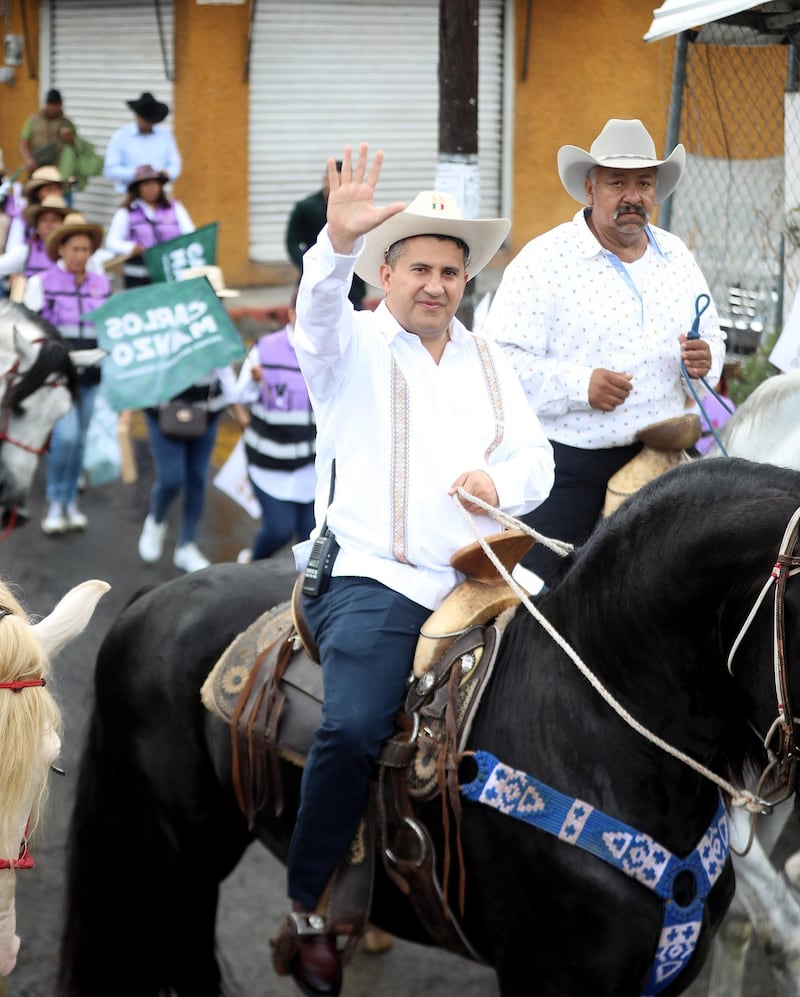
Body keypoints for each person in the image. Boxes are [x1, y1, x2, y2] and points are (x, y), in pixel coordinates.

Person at [274, 143, 554, 996]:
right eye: (420, 268)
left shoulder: (489, 357)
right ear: (386, 273)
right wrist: (335, 243)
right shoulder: (348, 343)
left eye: (450, 271)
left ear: (466, 280)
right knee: (355, 725)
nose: (435, 285)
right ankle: (309, 907)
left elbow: (537, 461)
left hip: (484, 579)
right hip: (373, 575)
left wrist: (499, 483)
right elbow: (315, 311)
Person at [484, 118, 726, 587]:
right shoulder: (544, 260)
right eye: (617, 183)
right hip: (571, 463)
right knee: (543, 593)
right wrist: (581, 386)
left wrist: (705, 360)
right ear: (590, 189)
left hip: (662, 458)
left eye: (644, 184)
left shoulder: (677, 256)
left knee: (673, 595)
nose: (633, 196)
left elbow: (712, 339)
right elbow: (499, 362)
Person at [136, 266, 238, 574]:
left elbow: (227, 378)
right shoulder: (163, 328)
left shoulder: (220, 330)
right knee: (171, 478)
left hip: (206, 415)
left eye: (217, 299)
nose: (214, 304)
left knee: (197, 479)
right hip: (164, 413)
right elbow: (145, 370)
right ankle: (156, 520)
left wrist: (242, 401)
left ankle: (186, 545)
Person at [22, 212, 110, 534]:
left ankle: (71, 501)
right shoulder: (41, 283)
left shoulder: (101, 284)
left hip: (91, 375)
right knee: (66, 437)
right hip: (57, 377)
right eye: (75, 249)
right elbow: (28, 329)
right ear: (60, 248)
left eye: (86, 250)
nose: (80, 256)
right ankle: (55, 502)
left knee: (81, 441)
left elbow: (110, 327)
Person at [220, 289, 316, 563]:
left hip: (311, 465)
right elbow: (240, 397)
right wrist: (253, 381)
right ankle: (252, 565)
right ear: (291, 313)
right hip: (269, 463)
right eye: (303, 313)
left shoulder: (326, 352)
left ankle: (299, 587)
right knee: (278, 529)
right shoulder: (266, 349)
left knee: (311, 537)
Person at [286, 161, 367, 309]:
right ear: (325, 180)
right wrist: (307, 265)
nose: (339, 186)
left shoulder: (357, 208)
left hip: (351, 279)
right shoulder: (306, 207)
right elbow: (292, 243)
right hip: (316, 274)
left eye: (344, 182)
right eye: (334, 181)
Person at [105, 163, 194, 287]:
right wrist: (131, 248)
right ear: (137, 188)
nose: (152, 188)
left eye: (155, 183)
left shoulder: (175, 207)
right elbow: (111, 242)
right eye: (146, 184)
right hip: (138, 276)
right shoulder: (126, 212)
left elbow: (190, 235)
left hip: (170, 272)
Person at [103, 92, 182, 194]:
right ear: (137, 116)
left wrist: (166, 173)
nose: (148, 123)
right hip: (129, 194)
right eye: (145, 120)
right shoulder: (121, 137)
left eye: (151, 120)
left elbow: (175, 166)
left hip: (157, 195)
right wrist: (136, 173)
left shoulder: (165, 136)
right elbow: (110, 171)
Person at [0, 194, 70, 297]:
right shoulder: (25, 252)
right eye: (43, 220)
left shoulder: (74, 252)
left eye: (54, 220)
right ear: (37, 225)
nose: (48, 225)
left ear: (63, 224)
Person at [4, 166, 71, 253]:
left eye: (57, 189)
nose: (54, 194)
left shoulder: (68, 218)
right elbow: (13, 249)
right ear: (37, 193)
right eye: (49, 190)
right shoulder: (22, 218)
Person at [18, 89, 77, 173]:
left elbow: (76, 147)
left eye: (55, 104)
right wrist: (28, 160)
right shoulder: (34, 120)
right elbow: (22, 144)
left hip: (57, 171)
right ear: (46, 104)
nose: (52, 107)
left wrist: (69, 138)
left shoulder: (66, 123)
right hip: (36, 168)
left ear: (60, 105)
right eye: (50, 103)